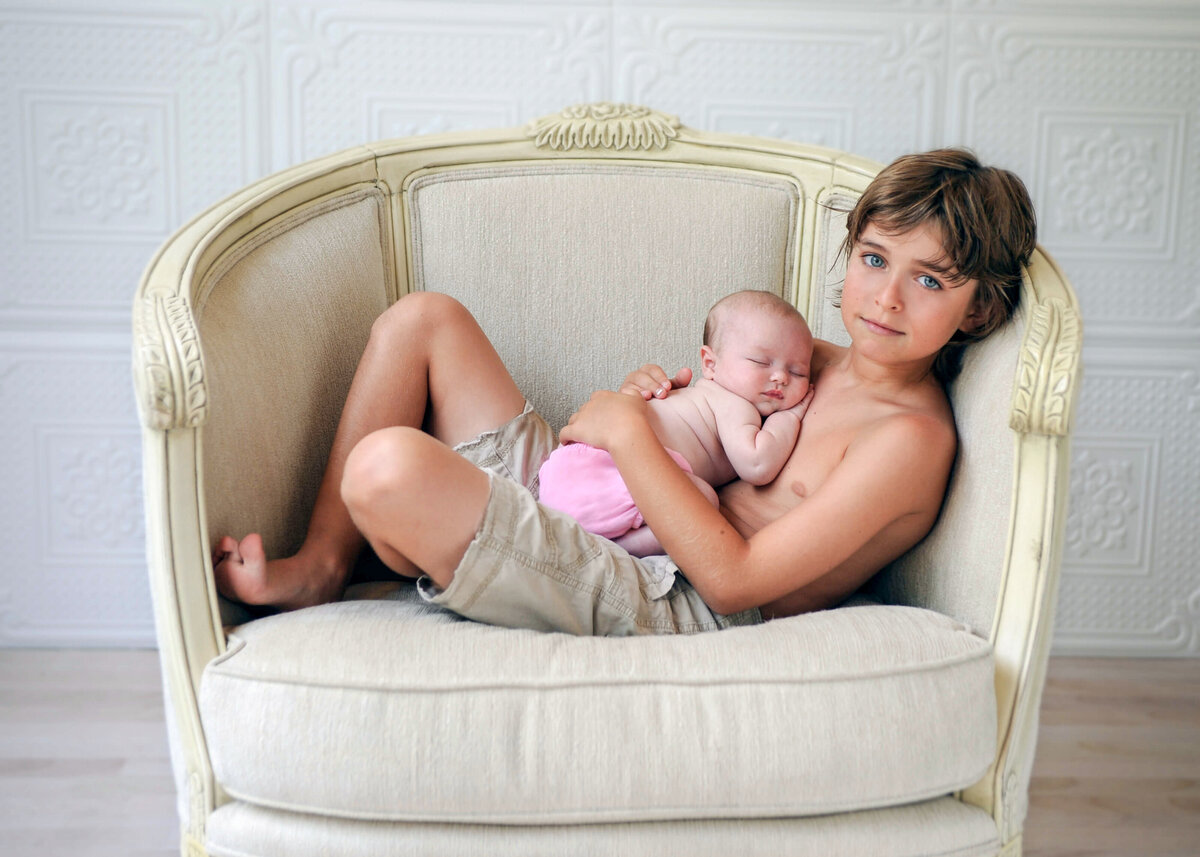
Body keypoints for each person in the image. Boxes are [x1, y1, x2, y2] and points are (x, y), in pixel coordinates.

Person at [213, 147, 1036, 635]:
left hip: (663, 587)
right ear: (850, 252)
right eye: (874, 259)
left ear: (981, 308)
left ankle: (415, 533)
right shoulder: (812, 354)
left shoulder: (909, 439)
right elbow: (704, 402)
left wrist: (631, 437)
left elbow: (739, 579)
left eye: (931, 281)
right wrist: (654, 400)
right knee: (422, 321)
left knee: (386, 469)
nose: (887, 298)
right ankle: (324, 562)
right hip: (607, 499)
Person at [537, 290, 813, 557]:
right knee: (701, 504)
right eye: (760, 361)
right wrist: (789, 417)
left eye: (797, 371)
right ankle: (619, 549)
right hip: (613, 471)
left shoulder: (695, 396)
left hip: (567, 471)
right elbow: (756, 465)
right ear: (710, 363)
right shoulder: (734, 404)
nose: (780, 377)